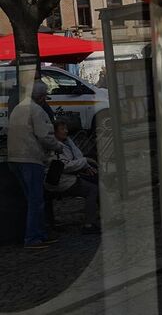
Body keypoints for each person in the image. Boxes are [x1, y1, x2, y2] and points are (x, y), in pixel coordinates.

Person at [7, 80, 63, 249]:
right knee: (35, 200)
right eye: (45, 96)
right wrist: (59, 146)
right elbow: (44, 136)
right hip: (30, 158)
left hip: (15, 158)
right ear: (41, 97)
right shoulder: (36, 110)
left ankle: (38, 233)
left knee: (30, 199)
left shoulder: (18, 107)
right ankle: (33, 237)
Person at [45, 121, 100, 234]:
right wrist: (84, 162)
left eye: (66, 128)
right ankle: (89, 224)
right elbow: (64, 166)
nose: (66, 131)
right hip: (61, 180)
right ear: (54, 132)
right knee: (92, 189)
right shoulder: (54, 147)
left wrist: (86, 165)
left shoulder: (68, 142)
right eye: (62, 129)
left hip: (71, 175)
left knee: (98, 181)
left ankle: (103, 215)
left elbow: (78, 157)